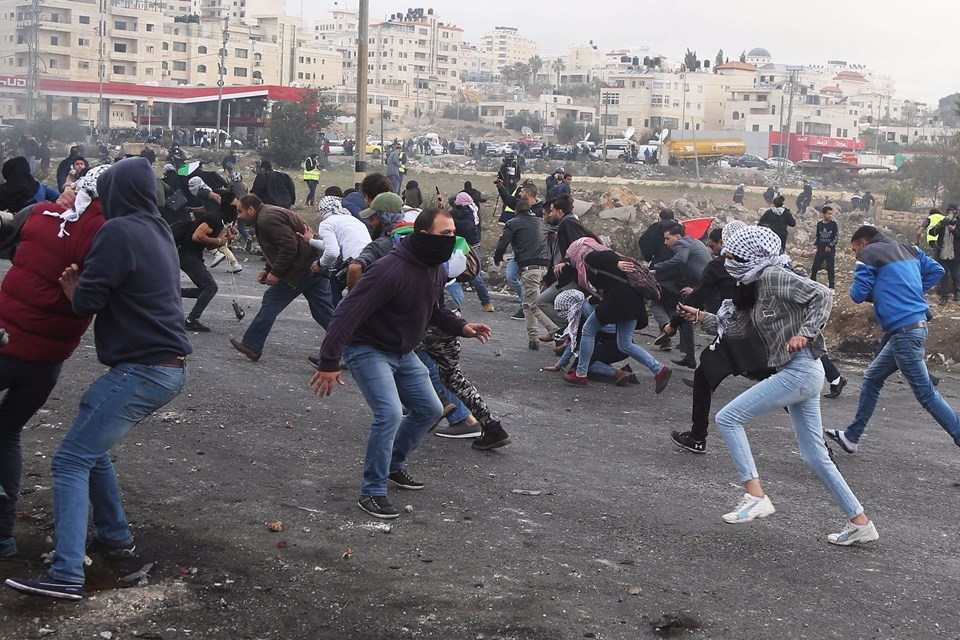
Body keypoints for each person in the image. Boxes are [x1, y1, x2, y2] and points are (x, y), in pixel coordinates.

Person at [5, 157, 191, 600]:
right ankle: (113, 535)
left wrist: (73, 287)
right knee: (93, 448)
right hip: (164, 367)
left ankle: (67, 574)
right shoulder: (157, 227)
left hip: (143, 370)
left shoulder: (116, 231)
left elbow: (86, 301)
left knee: (69, 461)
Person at [685, 224, 878, 546]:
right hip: (799, 372)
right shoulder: (752, 286)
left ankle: (756, 496)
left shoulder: (773, 275)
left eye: (733, 254)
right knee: (816, 456)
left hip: (801, 370)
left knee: (728, 418)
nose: (727, 258)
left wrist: (807, 332)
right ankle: (861, 523)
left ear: (751, 256)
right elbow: (733, 329)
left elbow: (822, 295)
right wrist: (699, 316)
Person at [309, 207, 493, 519]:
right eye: (445, 234)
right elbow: (345, 313)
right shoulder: (389, 270)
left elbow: (433, 308)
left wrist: (462, 327)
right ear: (424, 235)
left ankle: (393, 464)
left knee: (431, 409)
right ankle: (372, 490)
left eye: (453, 234)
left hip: (403, 352)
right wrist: (329, 362)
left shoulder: (433, 267)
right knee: (390, 414)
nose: (451, 240)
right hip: (368, 349)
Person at [0, 179, 106, 561]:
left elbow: (10, 238)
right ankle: (3, 536)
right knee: (8, 432)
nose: (62, 190)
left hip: (7, 342)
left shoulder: (42, 217)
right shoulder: (106, 239)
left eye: (72, 186)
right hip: (47, 362)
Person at [825, 226, 959, 455]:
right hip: (912, 329)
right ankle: (851, 437)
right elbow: (936, 270)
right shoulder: (910, 249)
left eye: (855, 249)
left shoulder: (869, 255)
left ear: (864, 242)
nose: (856, 254)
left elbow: (857, 295)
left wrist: (891, 293)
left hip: (905, 333)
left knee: (926, 394)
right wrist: (912, 292)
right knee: (872, 377)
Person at [229, 194, 334, 361]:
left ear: (251, 209)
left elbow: (288, 247)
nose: (239, 216)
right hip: (314, 263)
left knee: (271, 301)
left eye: (240, 211)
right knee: (323, 311)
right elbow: (280, 247)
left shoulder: (267, 220)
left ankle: (252, 345)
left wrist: (275, 273)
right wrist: (268, 268)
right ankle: (355, 344)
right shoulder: (267, 215)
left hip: (302, 267)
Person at [562, 243, 672, 393]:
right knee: (624, 343)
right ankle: (659, 369)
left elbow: (606, 255)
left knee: (588, 331)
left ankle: (580, 373)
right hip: (634, 302)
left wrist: (616, 262)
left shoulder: (588, 257)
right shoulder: (600, 267)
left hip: (618, 301)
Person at [493, 183, 558, 350]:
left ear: (516, 211)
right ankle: (533, 338)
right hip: (545, 268)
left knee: (533, 304)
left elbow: (502, 244)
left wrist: (498, 258)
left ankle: (556, 331)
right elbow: (553, 236)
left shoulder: (513, 223)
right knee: (532, 303)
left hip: (530, 268)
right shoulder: (541, 222)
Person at [651, 221, 712, 369]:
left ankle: (668, 329)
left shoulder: (681, 244)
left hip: (705, 287)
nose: (665, 243)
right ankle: (689, 357)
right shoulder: (693, 242)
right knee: (685, 315)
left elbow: (681, 259)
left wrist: (656, 269)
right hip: (704, 284)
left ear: (677, 236)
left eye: (667, 238)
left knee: (718, 325)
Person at [536, 195, 598, 327]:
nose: (550, 214)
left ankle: (571, 329)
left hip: (570, 277)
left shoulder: (567, 223)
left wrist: (567, 261)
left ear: (560, 212)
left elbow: (578, 245)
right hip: (567, 276)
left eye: (552, 211)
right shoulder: (567, 223)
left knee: (542, 301)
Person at [302, 195, 371, 306]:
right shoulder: (352, 219)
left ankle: (340, 318)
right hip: (371, 259)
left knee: (335, 289)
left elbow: (333, 252)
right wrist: (311, 241)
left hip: (355, 263)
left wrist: (320, 264)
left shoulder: (327, 223)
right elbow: (333, 246)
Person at [452, 191, 494, 312]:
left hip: (470, 246)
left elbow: (467, 226)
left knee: (475, 275)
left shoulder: (467, 211)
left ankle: (486, 301)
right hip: (463, 245)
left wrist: (453, 221)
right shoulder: (470, 209)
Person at [931, 204, 960, 304]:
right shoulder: (943, 222)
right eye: (948, 211)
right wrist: (942, 225)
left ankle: (957, 292)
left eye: (952, 211)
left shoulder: (958, 223)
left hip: (955, 255)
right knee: (943, 275)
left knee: (955, 275)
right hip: (943, 254)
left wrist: (954, 230)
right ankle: (944, 296)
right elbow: (932, 232)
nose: (950, 214)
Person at [810, 204, 839, 289]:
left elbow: (836, 237)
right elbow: (818, 236)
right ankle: (812, 284)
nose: (830, 216)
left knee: (830, 268)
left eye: (831, 214)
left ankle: (831, 287)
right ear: (823, 214)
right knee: (815, 267)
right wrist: (816, 243)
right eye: (828, 214)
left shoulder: (833, 224)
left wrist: (830, 245)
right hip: (820, 249)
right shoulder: (819, 224)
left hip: (830, 250)